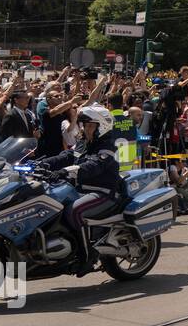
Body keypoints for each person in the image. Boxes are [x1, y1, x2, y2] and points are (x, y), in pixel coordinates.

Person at [35, 104, 126, 276]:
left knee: (74, 211)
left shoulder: (107, 146)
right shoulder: (83, 143)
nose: (86, 128)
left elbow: (93, 166)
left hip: (102, 192)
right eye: (84, 125)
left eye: (90, 125)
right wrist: (41, 164)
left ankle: (86, 255)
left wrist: (64, 172)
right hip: (79, 189)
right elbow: (66, 156)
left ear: (102, 127)